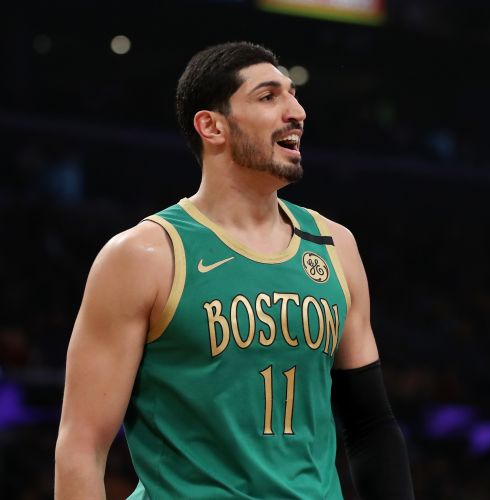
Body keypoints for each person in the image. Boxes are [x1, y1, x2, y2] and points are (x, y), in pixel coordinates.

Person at [55, 41, 414, 499]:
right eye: (268, 96)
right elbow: (81, 447)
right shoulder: (145, 255)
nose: (297, 112)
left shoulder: (335, 246)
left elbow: (371, 425)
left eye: (293, 94)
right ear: (212, 126)